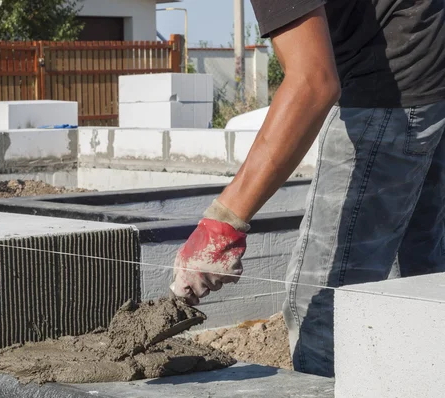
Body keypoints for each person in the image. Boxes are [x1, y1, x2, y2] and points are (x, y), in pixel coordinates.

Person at [170, 0, 445, 378]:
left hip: (394, 85)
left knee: (322, 308)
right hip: (430, 69)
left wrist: (223, 223)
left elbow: (314, 82)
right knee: (424, 283)